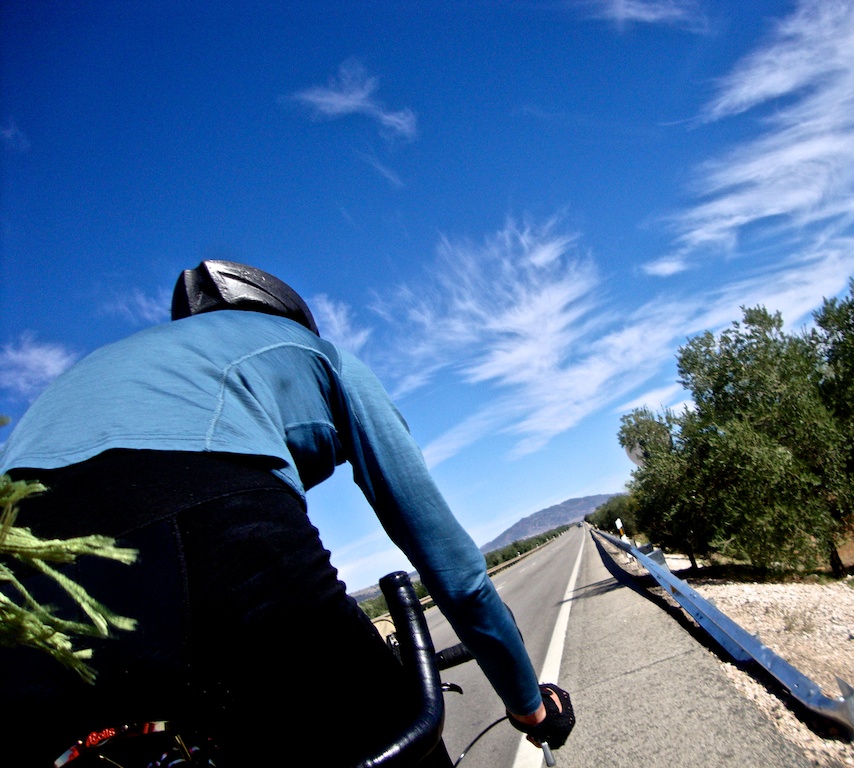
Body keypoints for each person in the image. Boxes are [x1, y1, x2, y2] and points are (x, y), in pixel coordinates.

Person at [0, 260, 574, 766]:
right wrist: (528, 706)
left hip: (22, 571)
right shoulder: (315, 353)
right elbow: (457, 571)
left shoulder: (99, 374)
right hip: (207, 518)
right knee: (389, 732)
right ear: (285, 314)